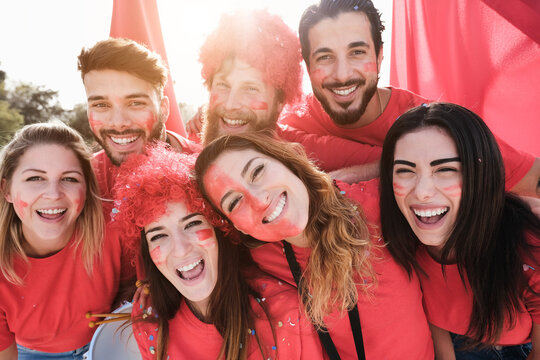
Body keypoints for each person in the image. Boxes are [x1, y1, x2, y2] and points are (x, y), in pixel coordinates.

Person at [194, 131, 434, 359]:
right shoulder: (261, 259)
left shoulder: (380, 205)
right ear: (239, 227)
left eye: (257, 172)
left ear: (289, 162)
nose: (259, 200)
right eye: (235, 201)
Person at [278, 0, 539, 195]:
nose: (342, 74)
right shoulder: (291, 124)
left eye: (357, 52)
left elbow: (532, 177)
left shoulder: (436, 122)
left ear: (380, 57)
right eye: (325, 57)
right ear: (308, 66)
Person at [111, 144, 325, 360]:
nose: (181, 249)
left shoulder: (285, 314)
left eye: (192, 224)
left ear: (219, 229)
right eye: (158, 236)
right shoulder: (150, 319)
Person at [379, 102, 540, 359]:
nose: (422, 191)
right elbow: (437, 324)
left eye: (445, 170)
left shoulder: (528, 248)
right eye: (405, 171)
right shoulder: (403, 244)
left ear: (481, 174)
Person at [187, 9, 382, 175]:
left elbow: (392, 159)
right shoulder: (191, 140)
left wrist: (321, 184)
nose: (230, 104)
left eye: (250, 89)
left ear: (280, 101)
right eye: (223, 85)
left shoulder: (299, 149)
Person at [0, 122, 129, 359]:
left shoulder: (114, 227)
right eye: (35, 178)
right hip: (29, 353)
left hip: (108, 342)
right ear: (6, 189)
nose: (53, 194)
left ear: (86, 187)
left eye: (69, 179)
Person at [77, 37, 200, 206]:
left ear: (164, 109)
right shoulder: (80, 183)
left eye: (136, 103)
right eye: (101, 105)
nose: (119, 122)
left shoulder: (207, 169)